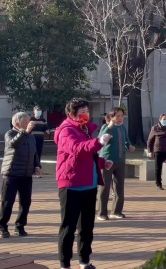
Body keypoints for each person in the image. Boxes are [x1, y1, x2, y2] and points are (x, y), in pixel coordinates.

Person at [55, 98, 114, 269]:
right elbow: (77, 149)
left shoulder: (84, 129)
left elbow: (88, 154)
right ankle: (65, 264)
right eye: (82, 112)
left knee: (87, 227)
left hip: (89, 184)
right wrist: (99, 142)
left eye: (87, 111)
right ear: (71, 114)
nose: (85, 114)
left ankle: (84, 260)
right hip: (71, 185)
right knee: (68, 226)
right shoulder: (66, 131)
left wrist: (102, 162)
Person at [0, 112, 41, 238]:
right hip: (11, 173)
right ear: (17, 123)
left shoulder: (30, 136)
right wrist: (24, 132)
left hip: (26, 174)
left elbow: (34, 153)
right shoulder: (10, 134)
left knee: (26, 202)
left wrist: (36, 165)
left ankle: (20, 226)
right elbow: (13, 144)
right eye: (27, 122)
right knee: (7, 202)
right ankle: (2, 226)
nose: (30, 124)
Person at [97, 107, 135, 221]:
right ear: (112, 117)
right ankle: (102, 213)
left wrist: (130, 146)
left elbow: (126, 140)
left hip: (120, 161)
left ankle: (116, 211)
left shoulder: (123, 127)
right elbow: (100, 138)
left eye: (121, 116)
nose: (119, 118)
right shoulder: (106, 127)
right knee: (105, 187)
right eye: (117, 116)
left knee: (119, 187)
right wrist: (109, 125)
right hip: (107, 161)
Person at [30, 105, 49, 177]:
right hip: (32, 139)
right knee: (32, 154)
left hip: (40, 139)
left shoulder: (43, 120)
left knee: (39, 154)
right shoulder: (31, 119)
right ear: (34, 111)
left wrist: (47, 131)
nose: (39, 112)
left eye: (40, 110)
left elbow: (45, 129)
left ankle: (37, 171)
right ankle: (31, 170)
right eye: (37, 110)